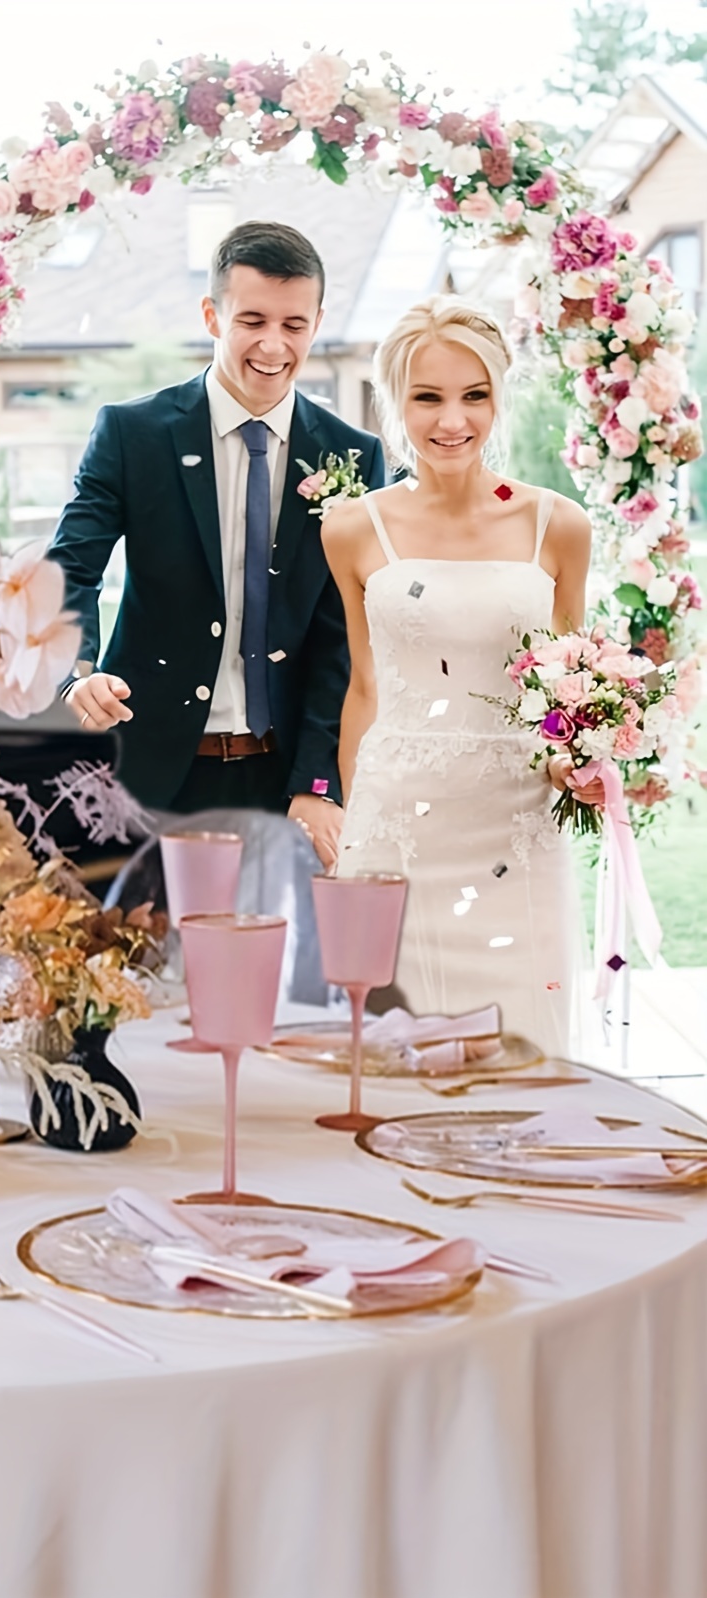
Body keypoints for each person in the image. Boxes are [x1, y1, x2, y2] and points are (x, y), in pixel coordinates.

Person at [49, 220, 387, 867]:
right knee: (141, 962)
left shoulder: (354, 455)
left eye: (293, 325)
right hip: (144, 767)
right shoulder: (131, 434)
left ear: (317, 322)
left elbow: (345, 635)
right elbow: (71, 569)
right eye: (252, 320)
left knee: (280, 961)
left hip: (286, 777)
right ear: (212, 314)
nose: (272, 344)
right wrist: (77, 671)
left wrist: (319, 782)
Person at [323, 296, 603, 1054]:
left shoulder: (558, 525)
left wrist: (572, 764)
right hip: (394, 831)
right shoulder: (353, 528)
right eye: (428, 397)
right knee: (390, 1062)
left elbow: (567, 696)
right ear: (395, 402)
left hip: (515, 829)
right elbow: (365, 686)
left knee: (524, 1058)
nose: (453, 420)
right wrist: (350, 833)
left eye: (473, 396)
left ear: (498, 399)